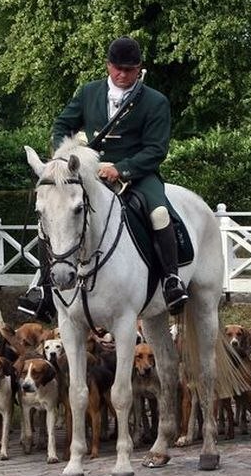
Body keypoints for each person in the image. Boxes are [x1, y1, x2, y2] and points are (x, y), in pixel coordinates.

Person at [18, 35, 189, 321]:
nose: (122, 75)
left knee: (159, 213)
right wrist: (64, 156)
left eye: (129, 69)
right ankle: (44, 287)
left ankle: (171, 280)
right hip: (91, 172)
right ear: (108, 65)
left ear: (139, 68)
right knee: (54, 212)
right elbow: (63, 124)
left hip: (139, 174)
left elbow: (156, 149)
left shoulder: (155, 101)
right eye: (117, 68)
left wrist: (122, 168)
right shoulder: (88, 92)